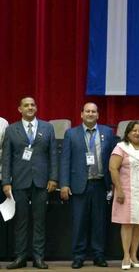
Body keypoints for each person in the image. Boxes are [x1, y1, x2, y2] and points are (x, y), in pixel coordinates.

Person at [2, 97, 58, 270]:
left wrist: (53, 178)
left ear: (36, 108)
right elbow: (7, 158)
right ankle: (20, 257)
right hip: (19, 181)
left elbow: (53, 155)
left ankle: (38, 258)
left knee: (40, 221)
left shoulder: (47, 128)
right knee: (21, 221)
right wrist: (6, 182)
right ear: (19, 109)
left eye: (32, 105)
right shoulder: (11, 130)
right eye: (26, 105)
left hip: (42, 181)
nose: (30, 107)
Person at [59, 102, 116, 269]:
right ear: (81, 114)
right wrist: (64, 184)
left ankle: (99, 255)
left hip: (100, 184)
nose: (90, 114)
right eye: (87, 111)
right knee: (79, 222)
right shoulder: (71, 134)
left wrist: (113, 183)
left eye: (94, 111)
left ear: (98, 115)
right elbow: (65, 161)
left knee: (99, 222)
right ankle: (78, 256)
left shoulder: (107, 132)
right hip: (78, 185)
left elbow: (113, 160)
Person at [109, 121, 139, 270]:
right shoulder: (121, 148)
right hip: (126, 191)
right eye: (134, 130)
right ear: (128, 133)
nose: (137, 133)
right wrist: (119, 190)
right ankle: (126, 256)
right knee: (127, 223)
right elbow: (113, 168)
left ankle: (134, 255)